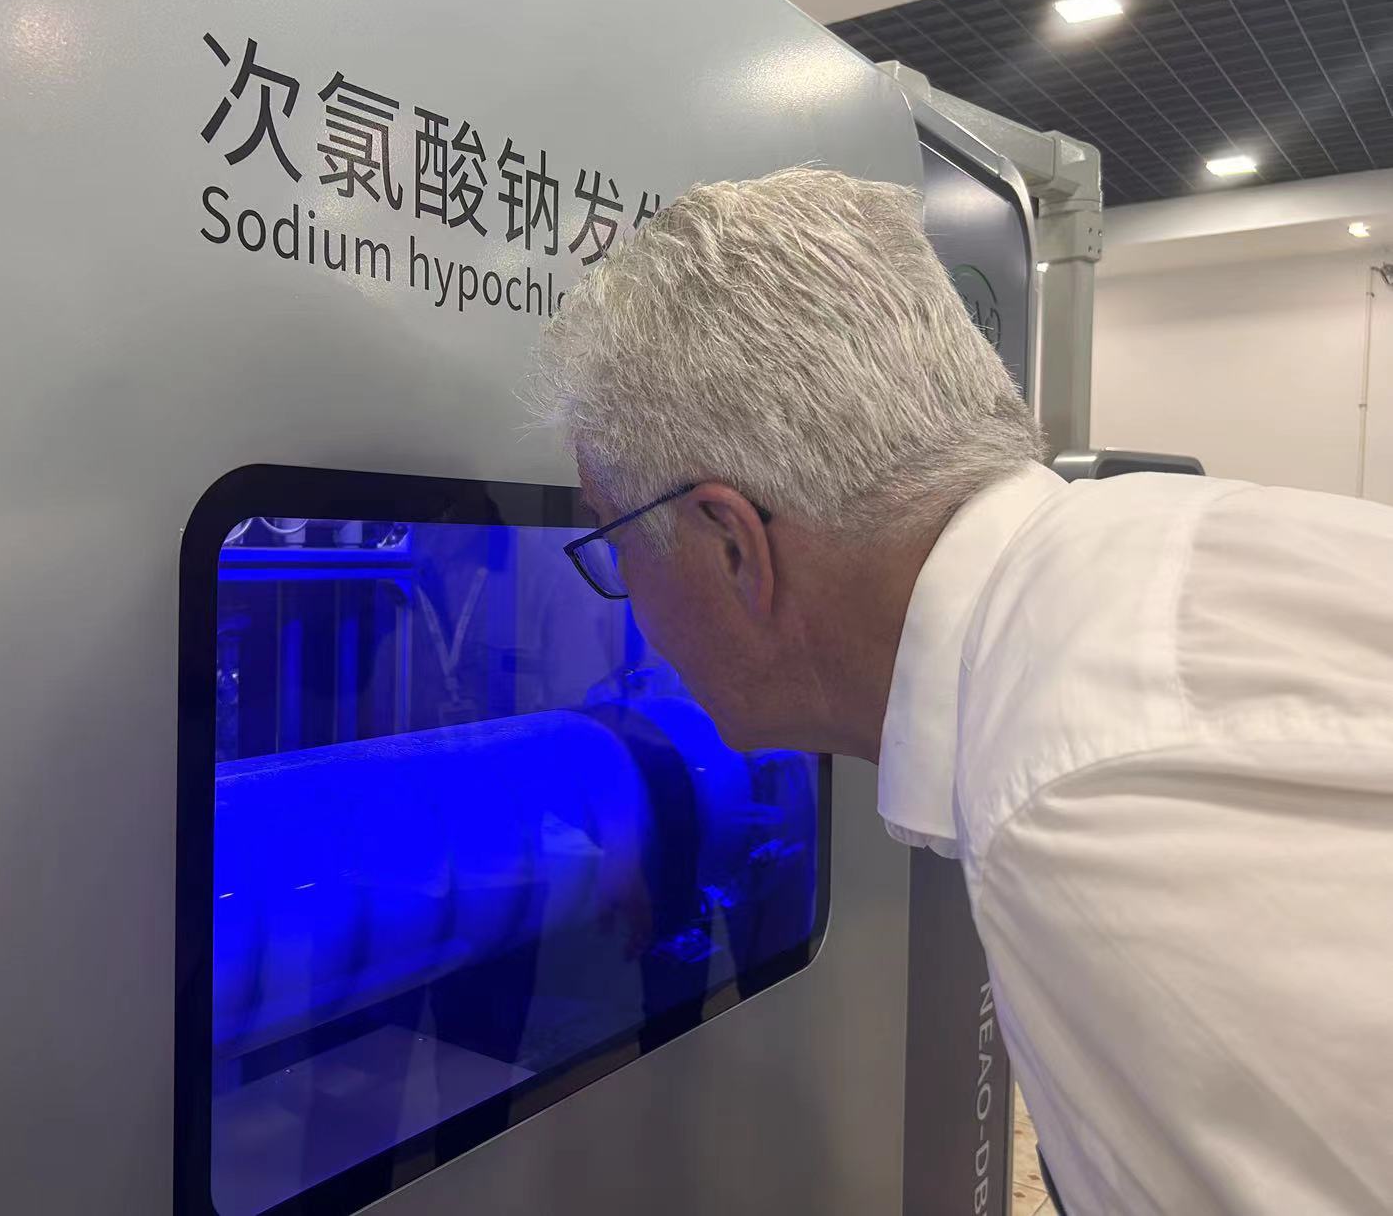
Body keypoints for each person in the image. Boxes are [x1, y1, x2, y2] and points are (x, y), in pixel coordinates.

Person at [529, 167, 1393, 1216]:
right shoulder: (1162, 546)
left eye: (614, 539)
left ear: (730, 545)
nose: (630, 599)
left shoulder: (1075, 797)